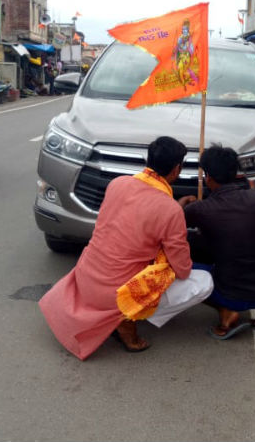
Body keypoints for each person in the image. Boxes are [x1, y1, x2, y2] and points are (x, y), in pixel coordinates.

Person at [39, 136, 214, 359]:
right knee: (203, 282)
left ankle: (124, 315)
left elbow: (136, 220)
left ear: (147, 159)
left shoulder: (117, 184)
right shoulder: (170, 211)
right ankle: (128, 319)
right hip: (117, 295)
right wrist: (178, 220)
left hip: (86, 278)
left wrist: (174, 211)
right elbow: (182, 268)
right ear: (177, 168)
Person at [181, 145, 255, 340]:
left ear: (208, 177)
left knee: (184, 269)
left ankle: (227, 311)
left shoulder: (202, 209)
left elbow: (173, 221)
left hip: (231, 293)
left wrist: (184, 203)